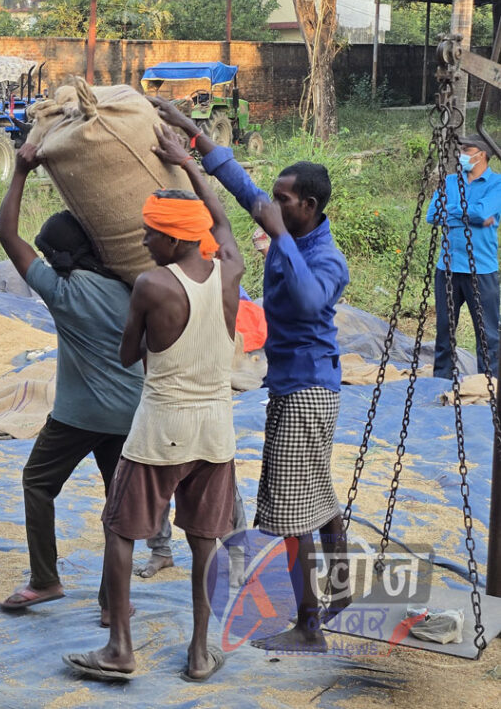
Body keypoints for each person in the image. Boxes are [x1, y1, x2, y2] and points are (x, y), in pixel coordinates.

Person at [153, 95, 352, 653]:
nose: (273, 205)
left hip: (307, 389)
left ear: (306, 207)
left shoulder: (326, 257)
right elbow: (241, 186)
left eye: (283, 201)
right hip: (303, 385)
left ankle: (310, 625)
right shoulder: (294, 226)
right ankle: (340, 596)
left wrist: (281, 241)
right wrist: (191, 136)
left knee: (293, 512)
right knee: (319, 495)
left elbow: (311, 302)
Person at [64, 128, 244, 684]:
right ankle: (198, 650)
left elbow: (127, 355)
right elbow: (222, 219)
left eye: (150, 233)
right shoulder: (231, 270)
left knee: (121, 530)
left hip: (161, 425)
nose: (143, 240)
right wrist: (187, 164)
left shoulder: (151, 285)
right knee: (203, 538)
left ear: (172, 240)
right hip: (216, 430)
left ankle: (120, 647)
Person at [0, 143, 144, 625]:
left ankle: (45, 580)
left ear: (57, 256)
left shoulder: (60, 290)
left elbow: (5, 234)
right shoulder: (130, 284)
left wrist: (19, 171)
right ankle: (111, 602)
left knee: (37, 482)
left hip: (79, 416)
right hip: (131, 413)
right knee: (117, 506)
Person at [426, 133, 501, 379]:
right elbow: (431, 215)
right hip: (447, 269)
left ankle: (488, 388)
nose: (461, 156)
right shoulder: (449, 182)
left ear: (482, 154)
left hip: (481, 270)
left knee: (487, 334)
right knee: (445, 332)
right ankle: (441, 383)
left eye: (466, 150)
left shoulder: (497, 185)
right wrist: (472, 217)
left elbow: (482, 213)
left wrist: (456, 213)